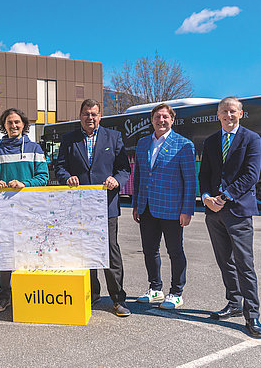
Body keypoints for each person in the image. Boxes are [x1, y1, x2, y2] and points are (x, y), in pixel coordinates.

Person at [55, 99, 131, 317]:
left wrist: (117, 180)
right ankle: (91, 293)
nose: (91, 117)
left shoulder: (113, 137)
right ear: (80, 115)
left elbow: (124, 168)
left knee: (110, 252)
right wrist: (67, 177)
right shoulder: (69, 139)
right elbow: (60, 167)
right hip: (78, 206)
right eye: (87, 113)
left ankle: (118, 299)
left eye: (94, 114)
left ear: (100, 116)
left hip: (105, 205)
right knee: (83, 251)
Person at [198, 96, 261, 338]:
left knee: (245, 265)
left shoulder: (252, 139)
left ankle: (252, 314)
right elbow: (205, 174)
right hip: (213, 213)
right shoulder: (211, 141)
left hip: (238, 211)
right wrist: (205, 197)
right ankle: (234, 303)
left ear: (241, 114)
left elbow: (252, 175)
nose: (228, 115)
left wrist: (224, 196)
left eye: (232, 111)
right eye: (224, 112)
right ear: (218, 115)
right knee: (225, 262)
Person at [0, 108, 49, 312]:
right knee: (5, 254)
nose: (13, 126)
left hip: (30, 211)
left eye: (17, 122)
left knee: (30, 254)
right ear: (4, 126)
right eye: (9, 122)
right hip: (4, 213)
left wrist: (25, 184)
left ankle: (30, 295)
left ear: (24, 124)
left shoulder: (35, 149)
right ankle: (4, 297)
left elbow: (43, 177)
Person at [132, 103, 196, 309]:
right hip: (147, 207)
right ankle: (155, 289)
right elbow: (139, 177)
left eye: (165, 117)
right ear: (152, 120)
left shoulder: (183, 144)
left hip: (172, 208)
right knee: (149, 250)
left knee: (175, 251)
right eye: (157, 117)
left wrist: (187, 210)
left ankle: (176, 292)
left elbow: (190, 180)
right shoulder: (142, 143)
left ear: (172, 120)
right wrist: (136, 204)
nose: (161, 120)